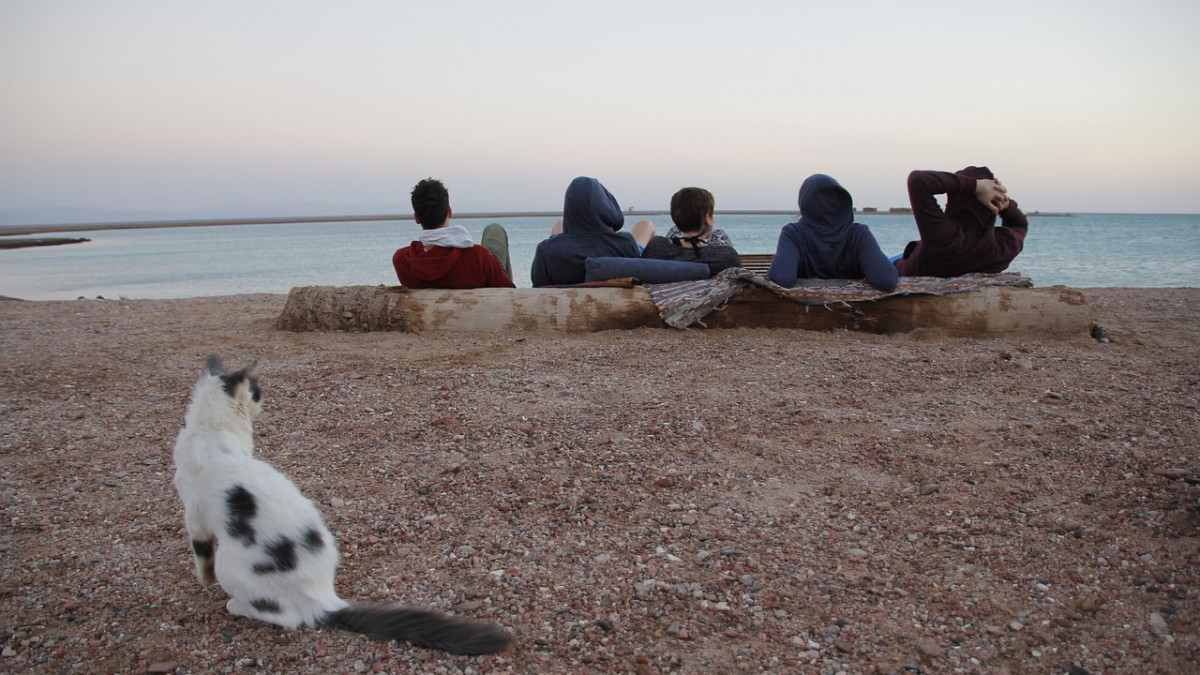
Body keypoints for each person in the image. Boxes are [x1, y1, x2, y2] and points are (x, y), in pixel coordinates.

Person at [767, 174, 898, 292]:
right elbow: (886, 280)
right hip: (853, 315)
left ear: (805, 202)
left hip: (806, 314)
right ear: (843, 202)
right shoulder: (858, 235)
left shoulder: (794, 234)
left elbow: (781, 278)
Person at [893, 166, 1028, 277]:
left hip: (899, 269)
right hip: (959, 264)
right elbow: (1020, 224)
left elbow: (918, 180)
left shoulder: (946, 238)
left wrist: (976, 186)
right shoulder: (1002, 248)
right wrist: (1005, 204)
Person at [530, 177, 654, 286]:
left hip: (568, 302)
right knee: (645, 224)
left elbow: (539, 288)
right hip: (612, 303)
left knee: (559, 225)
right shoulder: (625, 244)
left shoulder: (545, 252)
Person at [392, 178, 515, 289]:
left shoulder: (402, 260)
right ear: (449, 211)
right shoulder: (478, 256)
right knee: (494, 230)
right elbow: (509, 294)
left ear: (416, 218)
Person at [641, 187, 742, 277]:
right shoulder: (726, 257)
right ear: (707, 218)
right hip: (709, 289)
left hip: (668, 289)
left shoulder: (656, 248)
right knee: (719, 233)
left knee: (675, 232)